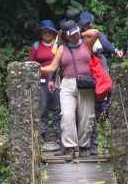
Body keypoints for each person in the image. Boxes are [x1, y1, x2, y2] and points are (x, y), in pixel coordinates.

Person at [41, 19, 97, 161]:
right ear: (65, 36)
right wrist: (38, 68)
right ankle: (71, 147)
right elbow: (53, 67)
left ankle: (84, 146)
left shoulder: (87, 43)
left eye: (76, 32)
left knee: (86, 116)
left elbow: (96, 32)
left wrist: (78, 31)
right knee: (67, 115)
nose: (75, 36)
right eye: (71, 34)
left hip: (85, 83)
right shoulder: (61, 48)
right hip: (67, 84)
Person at [79, 11, 123, 154]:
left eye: (87, 23)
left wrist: (115, 50)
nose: (86, 26)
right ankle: (89, 144)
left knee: (98, 108)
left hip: (98, 74)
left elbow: (104, 42)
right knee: (87, 111)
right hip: (88, 75)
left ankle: (96, 145)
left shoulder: (93, 37)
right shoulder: (78, 40)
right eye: (84, 24)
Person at [28, 20, 61, 151]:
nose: (46, 33)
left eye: (49, 31)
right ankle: (41, 139)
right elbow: (31, 64)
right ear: (41, 33)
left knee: (58, 109)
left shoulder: (59, 46)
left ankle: (59, 138)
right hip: (41, 81)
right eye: (44, 31)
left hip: (57, 80)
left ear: (53, 33)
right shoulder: (36, 46)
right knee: (42, 109)